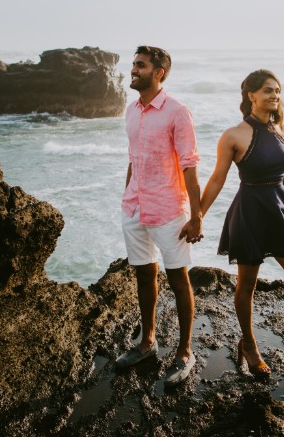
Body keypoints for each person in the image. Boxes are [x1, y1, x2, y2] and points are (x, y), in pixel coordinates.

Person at [200, 69, 284, 377]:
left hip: (279, 215)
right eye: (269, 90)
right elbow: (218, 178)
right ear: (252, 95)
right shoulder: (234, 135)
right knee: (247, 284)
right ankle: (249, 346)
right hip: (250, 214)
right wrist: (198, 216)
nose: (275, 95)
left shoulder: (283, 132)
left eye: (278, 90)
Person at [115, 45, 203, 387]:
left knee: (179, 280)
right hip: (134, 206)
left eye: (140, 65)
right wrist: (127, 195)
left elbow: (190, 167)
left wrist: (196, 216)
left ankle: (184, 351)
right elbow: (133, 159)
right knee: (142, 275)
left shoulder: (177, 112)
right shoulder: (131, 111)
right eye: (134, 64)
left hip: (169, 209)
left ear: (159, 73)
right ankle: (147, 342)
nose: (133, 70)